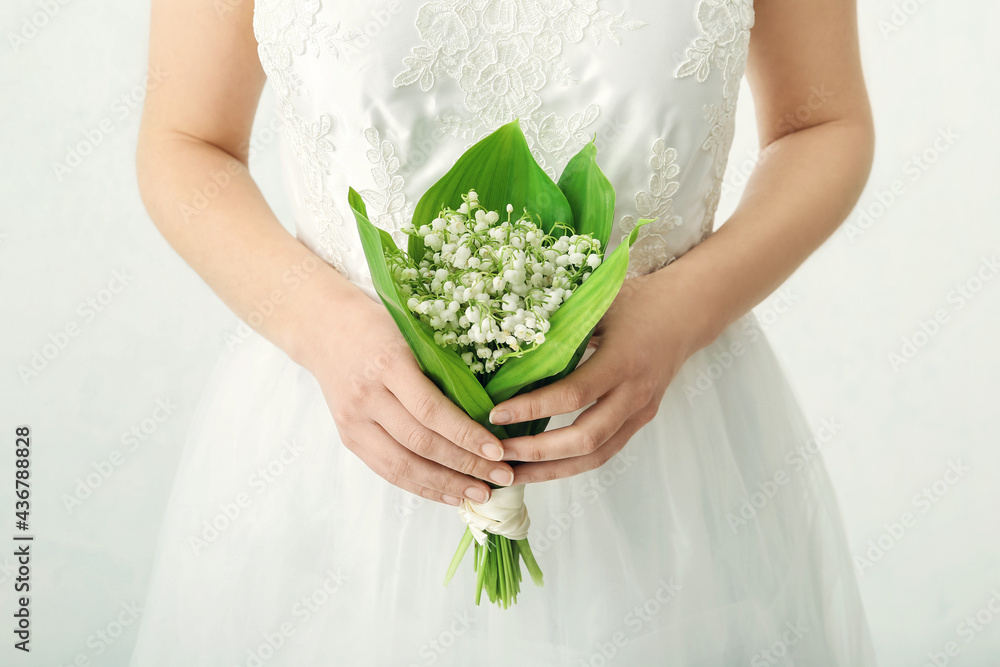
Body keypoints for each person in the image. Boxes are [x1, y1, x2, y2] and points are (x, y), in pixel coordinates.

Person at [131, 0, 877, 664]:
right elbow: (187, 138)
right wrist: (321, 327)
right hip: (338, 458)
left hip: (670, 455)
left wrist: (685, 309)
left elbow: (822, 123)